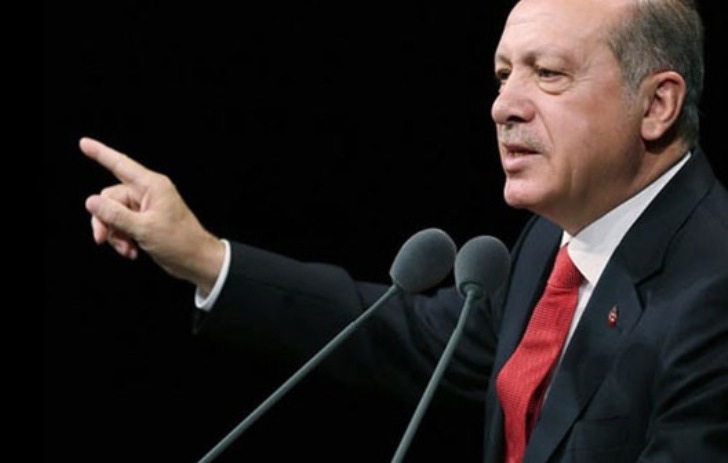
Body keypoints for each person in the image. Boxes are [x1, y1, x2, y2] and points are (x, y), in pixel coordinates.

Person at [81, 0, 728, 461]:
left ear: (657, 105)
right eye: (504, 75)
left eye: (549, 73)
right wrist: (203, 257)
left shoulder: (714, 287)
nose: (503, 105)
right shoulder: (550, 241)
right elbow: (407, 336)